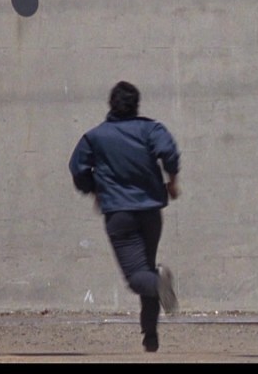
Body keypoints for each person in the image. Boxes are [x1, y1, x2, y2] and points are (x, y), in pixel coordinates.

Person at [68, 80, 181, 353]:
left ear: (111, 104)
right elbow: (169, 152)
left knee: (137, 277)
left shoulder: (95, 137)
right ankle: (150, 335)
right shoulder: (150, 129)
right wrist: (172, 180)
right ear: (136, 104)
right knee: (146, 265)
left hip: (119, 215)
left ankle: (158, 284)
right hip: (151, 212)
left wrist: (93, 188)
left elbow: (77, 168)